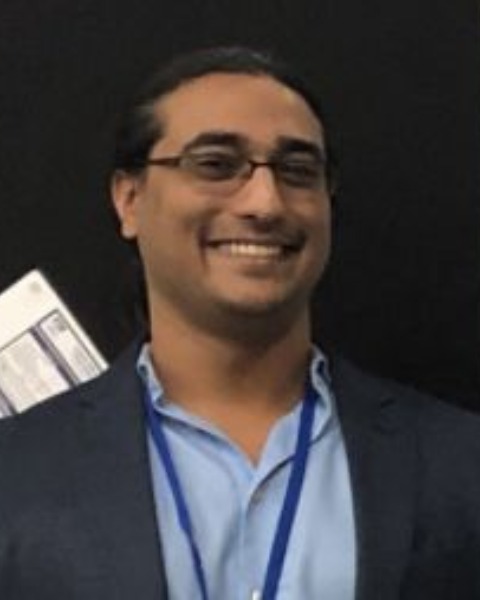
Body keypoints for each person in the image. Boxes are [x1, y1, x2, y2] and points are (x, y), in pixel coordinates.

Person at [1, 46, 480, 600]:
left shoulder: (457, 463)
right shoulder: (18, 472)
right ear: (129, 200)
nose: (265, 202)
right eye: (215, 165)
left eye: (298, 171)